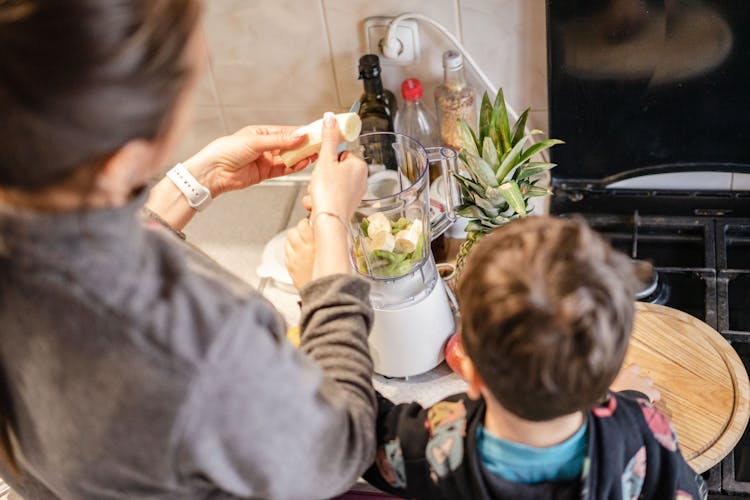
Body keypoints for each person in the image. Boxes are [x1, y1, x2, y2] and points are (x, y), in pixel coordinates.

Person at [0, 1, 374, 499]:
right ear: (127, 157)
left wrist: (194, 183)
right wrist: (331, 229)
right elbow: (337, 451)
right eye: (187, 85)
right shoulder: (197, 344)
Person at [357, 216, 708, 499]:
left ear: (471, 372)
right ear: (607, 372)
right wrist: (626, 400)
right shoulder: (641, 430)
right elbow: (686, 491)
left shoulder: (439, 438)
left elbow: (360, 430)